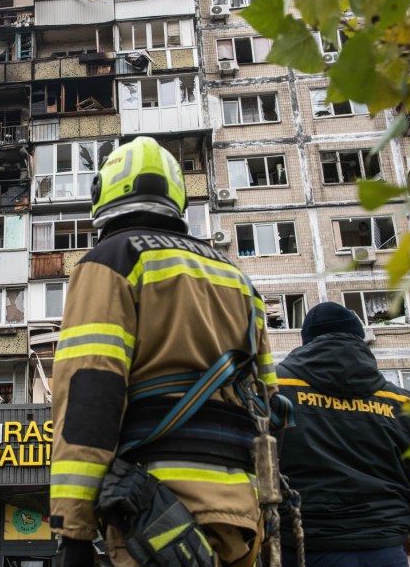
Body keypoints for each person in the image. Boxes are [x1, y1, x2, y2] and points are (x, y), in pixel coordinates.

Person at [50, 137, 280, 567]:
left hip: (152, 515)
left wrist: (73, 531)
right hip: (243, 514)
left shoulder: (110, 261)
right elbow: (270, 402)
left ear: (105, 194)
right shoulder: (238, 279)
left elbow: (89, 398)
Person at [277, 302, 410, 567]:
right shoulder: (403, 404)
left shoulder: (274, 391)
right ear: (360, 340)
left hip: (298, 550)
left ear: (306, 342)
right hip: (383, 553)